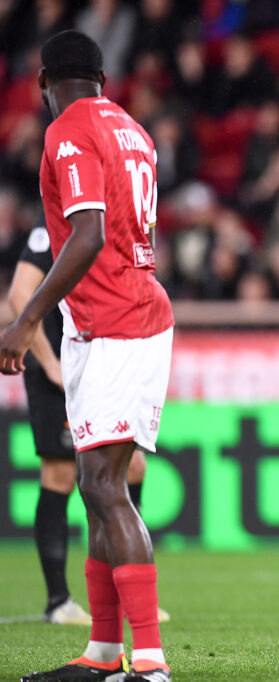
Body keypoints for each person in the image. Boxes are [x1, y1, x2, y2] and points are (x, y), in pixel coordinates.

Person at [2, 30, 175, 681]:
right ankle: (105, 656)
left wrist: (24, 320)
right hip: (122, 317)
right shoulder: (132, 128)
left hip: (117, 324)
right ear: (103, 77)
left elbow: (90, 234)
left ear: (44, 83)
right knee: (98, 486)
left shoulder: (67, 129)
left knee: (104, 486)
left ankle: (149, 662)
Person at [10, 216, 169, 628]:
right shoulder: (55, 229)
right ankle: (58, 601)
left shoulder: (110, 223)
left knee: (131, 466)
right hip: (58, 364)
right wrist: (50, 364)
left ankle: (125, 595)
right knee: (61, 473)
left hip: (99, 358)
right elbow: (18, 295)